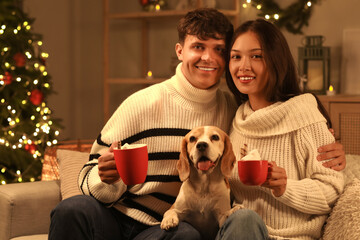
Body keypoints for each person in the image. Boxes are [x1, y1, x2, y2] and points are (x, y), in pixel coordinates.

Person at [49, 9, 345, 240]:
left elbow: (319, 164)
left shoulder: (231, 110)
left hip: (171, 229)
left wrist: (336, 151)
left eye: (219, 50)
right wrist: (106, 178)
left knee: (187, 235)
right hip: (121, 216)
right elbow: (89, 174)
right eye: (198, 47)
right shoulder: (142, 104)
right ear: (180, 51)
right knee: (72, 209)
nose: (209, 58)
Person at [226, 19, 344, 239]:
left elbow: (332, 190)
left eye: (256, 56)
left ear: (276, 61)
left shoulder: (304, 115)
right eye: (236, 56)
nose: (243, 66)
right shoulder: (236, 118)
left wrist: (285, 188)